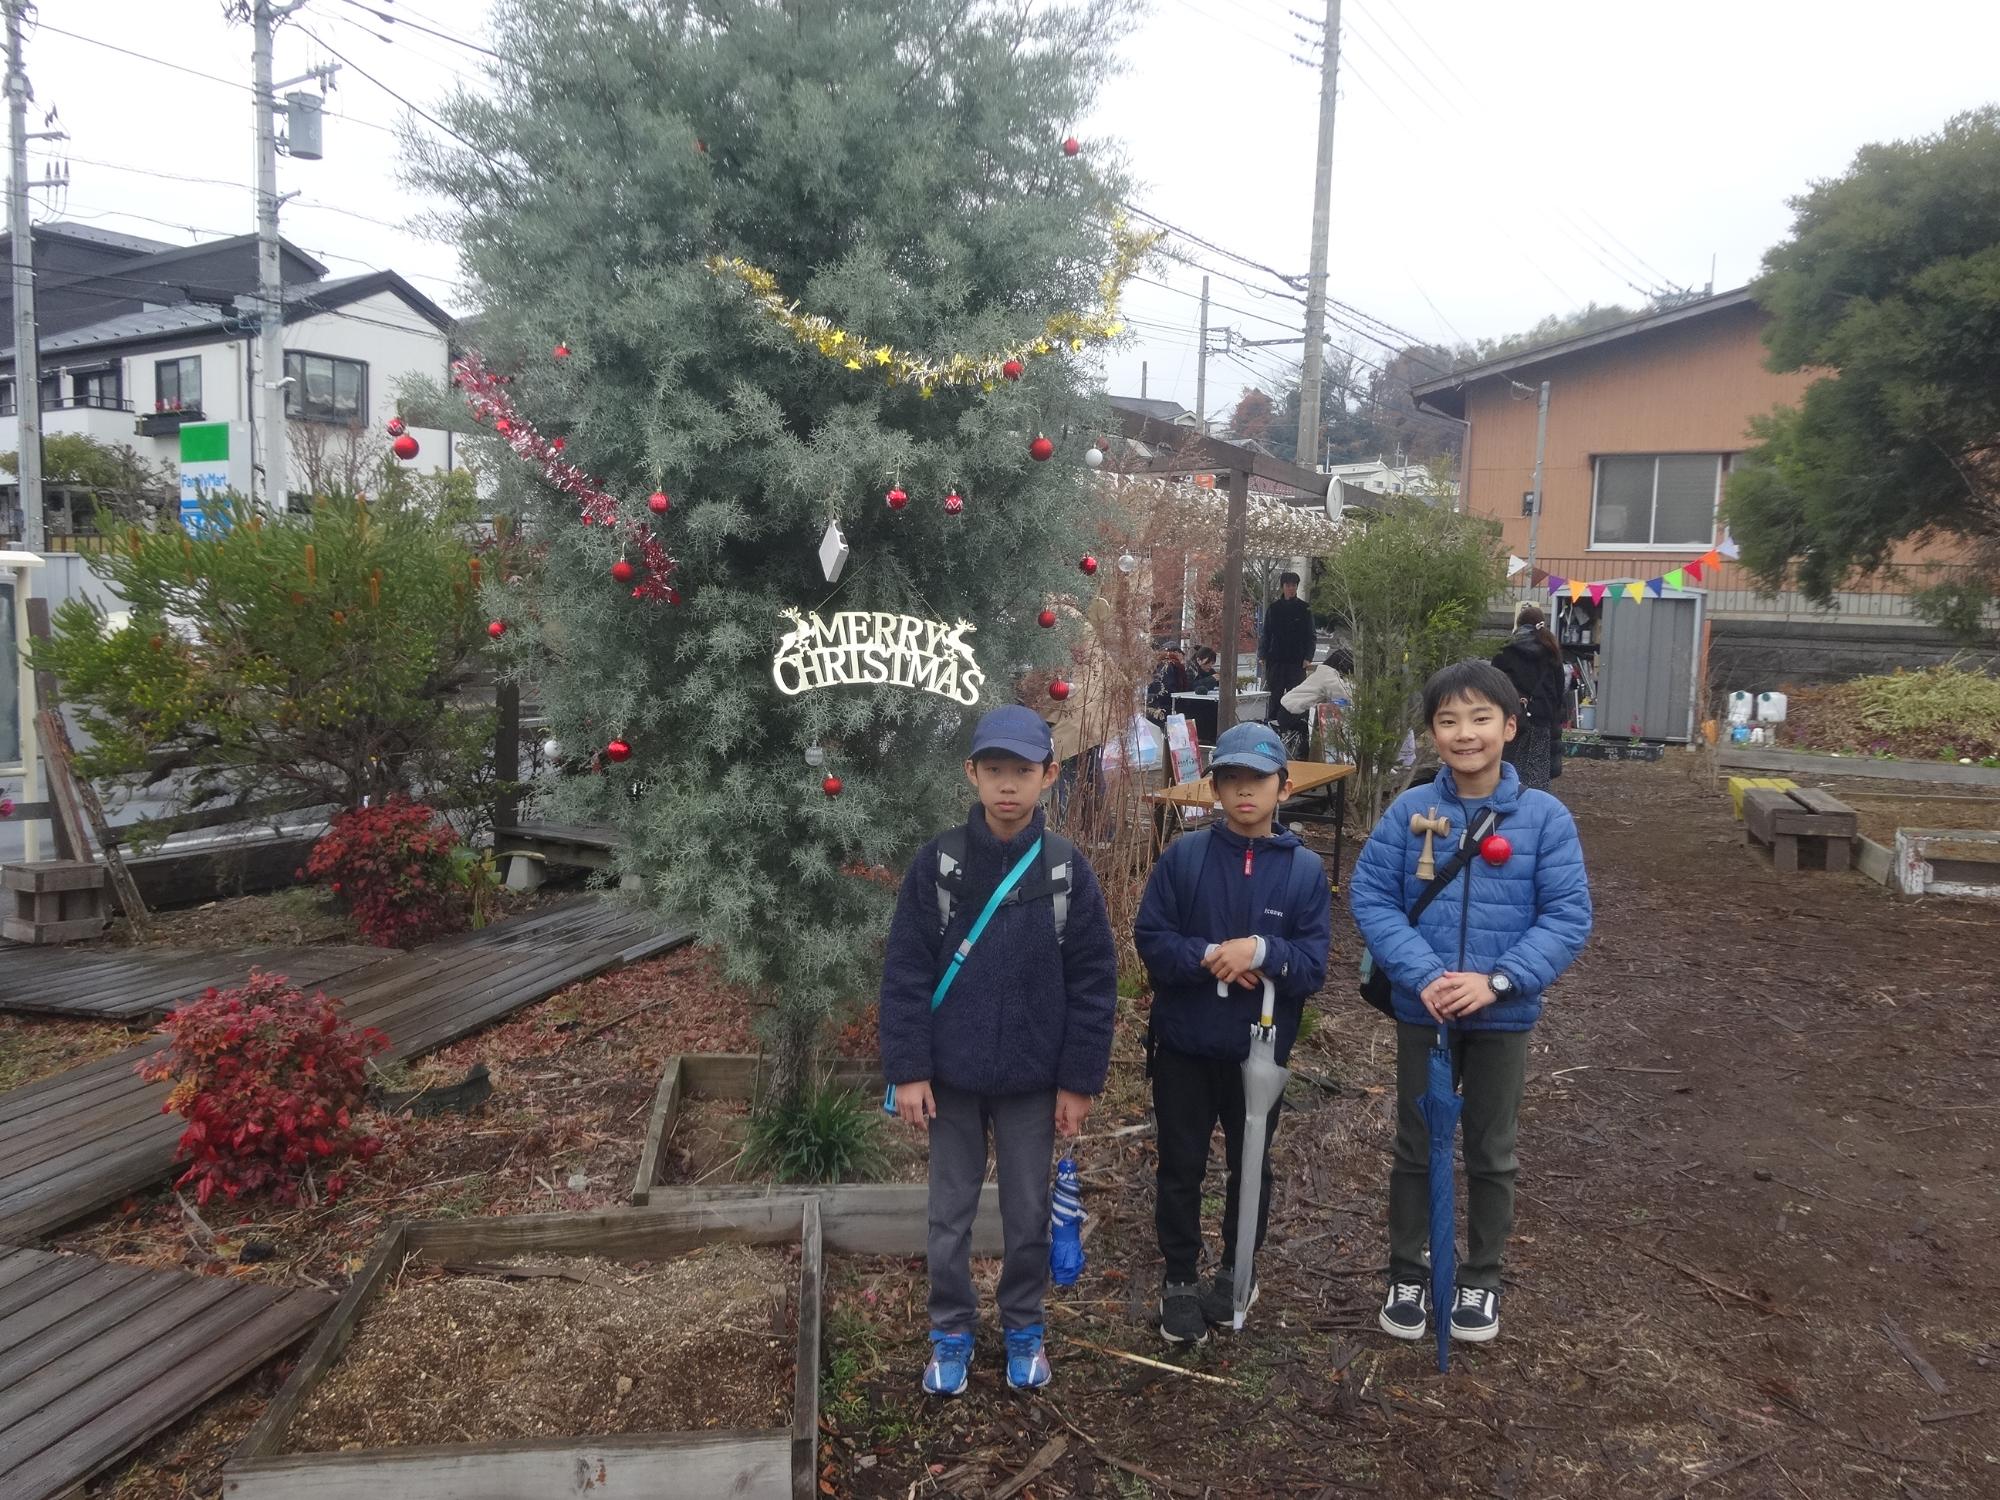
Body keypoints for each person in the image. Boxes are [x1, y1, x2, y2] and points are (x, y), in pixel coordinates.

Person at [1348, 661, 1592, 1347]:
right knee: (1416, 1144)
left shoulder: (1544, 819)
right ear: (1433, 733)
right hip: (1424, 1012)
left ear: (1510, 727)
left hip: (1501, 1017)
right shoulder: (1409, 811)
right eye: (1449, 720)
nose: (1465, 733)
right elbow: (1372, 897)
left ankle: (1481, 1278)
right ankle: (1407, 1270)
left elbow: (1567, 916)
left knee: (1491, 1150)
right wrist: (1424, 974)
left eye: (1481, 718)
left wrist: (1499, 981)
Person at [879, 705, 1119, 1396]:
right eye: (994, 771)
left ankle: (1023, 1328)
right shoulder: (942, 865)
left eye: (1022, 771)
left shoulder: (1068, 872)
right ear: (971, 774)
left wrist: (1078, 1082)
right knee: (947, 1215)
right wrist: (911, 1070)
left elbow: (1095, 984)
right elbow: (906, 971)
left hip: (1031, 1083)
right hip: (950, 1081)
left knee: (1026, 1215)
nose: (1007, 786)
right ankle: (950, 1331)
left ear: (1048, 775)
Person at [1134, 721, 1332, 1345]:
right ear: (1214, 787)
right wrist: (1210, 955)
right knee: (1182, 1163)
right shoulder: (1185, 858)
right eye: (1232, 780)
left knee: (1252, 1165)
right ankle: (1180, 1278)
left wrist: (1263, 952)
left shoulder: (1303, 872)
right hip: (1185, 1047)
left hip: (1260, 1055)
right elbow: (1153, 941)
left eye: (1258, 780)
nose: (1245, 792)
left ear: (1284, 785)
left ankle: (1236, 1270)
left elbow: (1312, 965)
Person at [1491, 604, 1565, 792]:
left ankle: (1506, 809)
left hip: (1512, 718)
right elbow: (1558, 692)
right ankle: (1534, 813)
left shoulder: (1505, 649)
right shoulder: (1551, 650)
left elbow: (1493, 684)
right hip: (1541, 719)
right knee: (1536, 777)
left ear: (1519, 623)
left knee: (1508, 770)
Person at [1257, 572, 1317, 723]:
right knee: (1274, 698)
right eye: (1288, 585)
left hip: (1296, 662)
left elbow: (1311, 635)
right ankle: (1273, 728)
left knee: (1297, 699)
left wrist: (1308, 657)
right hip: (1276, 660)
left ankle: (1298, 731)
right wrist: (1262, 654)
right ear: (1282, 587)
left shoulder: (1305, 608)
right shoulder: (1274, 608)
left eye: (1294, 585)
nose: (1291, 588)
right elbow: (1266, 633)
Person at [1279, 645, 1354, 720]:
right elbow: (1345, 696)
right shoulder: (1329, 677)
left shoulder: (1322, 672)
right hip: (1294, 714)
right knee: (1329, 718)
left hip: (1285, 709)